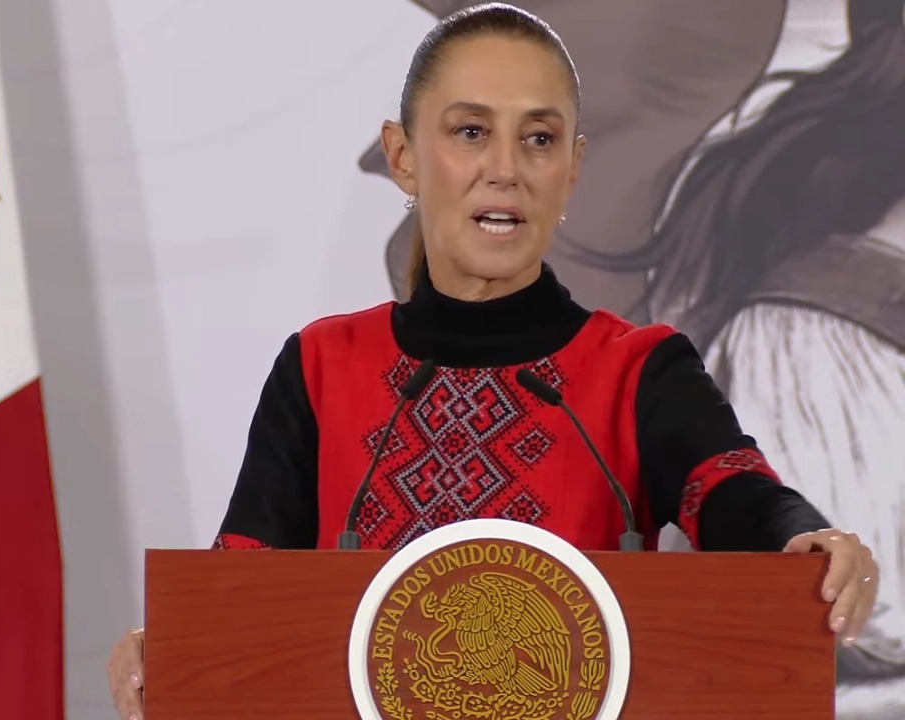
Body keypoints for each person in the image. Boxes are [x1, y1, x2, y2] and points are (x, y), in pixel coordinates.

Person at [106, 4, 882, 718]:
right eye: (471, 131)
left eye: (539, 138)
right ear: (404, 157)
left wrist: (805, 539)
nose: (505, 167)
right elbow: (244, 579)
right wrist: (171, 647)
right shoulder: (319, 366)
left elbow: (738, 495)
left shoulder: (639, 369)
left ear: (572, 168)